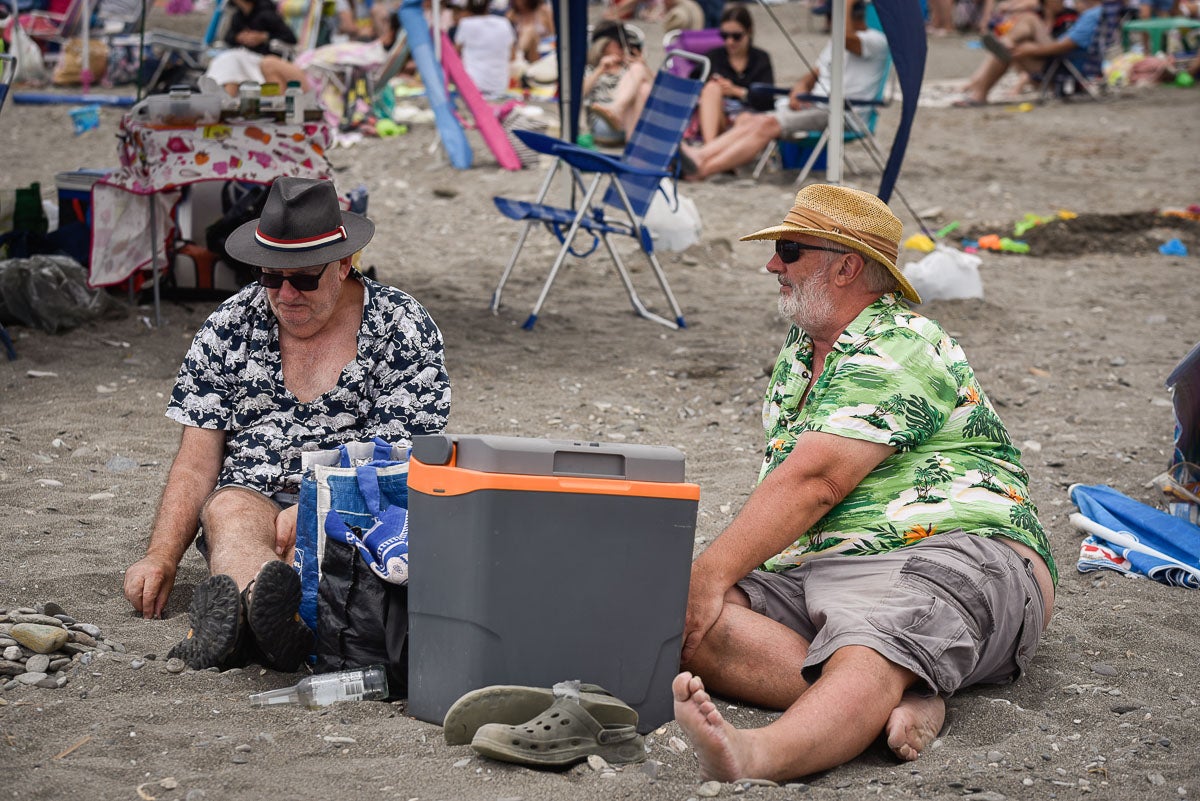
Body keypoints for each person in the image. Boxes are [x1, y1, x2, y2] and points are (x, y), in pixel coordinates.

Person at [671, 183, 1057, 782]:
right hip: (832, 565)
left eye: (790, 250)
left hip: (955, 547)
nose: (772, 264)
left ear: (847, 265)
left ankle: (759, 756)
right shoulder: (805, 351)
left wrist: (710, 572)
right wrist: (700, 587)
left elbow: (816, 482)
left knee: (868, 639)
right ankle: (894, 696)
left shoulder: (900, 341)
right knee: (679, 617)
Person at [122, 177, 451, 673]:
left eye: (304, 278)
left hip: (354, 506)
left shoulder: (401, 325)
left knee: (320, 536)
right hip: (253, 491)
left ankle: (250, 622)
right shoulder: (230, 323)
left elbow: (400, 456)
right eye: (271, 278)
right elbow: (196, 461)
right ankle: (266, 611)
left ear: (344, 265)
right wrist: (160, 556)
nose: (285, 293)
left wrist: (319, 503)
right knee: (231, 512)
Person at [679, 0, 886, 180]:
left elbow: (847, 38)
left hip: (842, 113)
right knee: (751, 120)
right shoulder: (836, 42)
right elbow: (814, 73)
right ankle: (702, 155)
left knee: (767, 123)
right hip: (813, 105)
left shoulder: (876, 41)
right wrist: (800, 87)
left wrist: (846, 4)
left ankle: (703, 169)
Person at [955, 0, 1102, 105]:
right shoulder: (1095, 13)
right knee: (1021, 32)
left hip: (1065, 63)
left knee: (1015, 41)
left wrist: (1031, 50)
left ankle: (979, 93)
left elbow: (1063, 47)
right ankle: (1006, 43)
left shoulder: (1090, 17)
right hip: (1068, 61)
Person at [694, 5, 774, 144]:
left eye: (736, 36)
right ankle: (710, 150)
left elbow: (767, 102)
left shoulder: (760, 59)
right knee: (712, 89)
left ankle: (713, 155)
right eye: (724, 36)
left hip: (747, 120)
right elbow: (690, 85)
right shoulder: (713, 57)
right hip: (716, 119)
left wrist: (738, 91)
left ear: (749, 32)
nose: (729, 41)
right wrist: (712, 87)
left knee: (744, 118)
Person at [204, 0, 310, 97]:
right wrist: (239, 37)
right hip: (244, 58)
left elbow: (290, 38)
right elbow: (229, 37)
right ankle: (225, 101)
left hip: (264, 58)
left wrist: (264, 37)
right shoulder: (238, 16)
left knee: (231, 59)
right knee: (228, 59)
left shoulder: (267, 15)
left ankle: (225, 101)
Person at [583, 22, 651, 146]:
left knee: (644, 87)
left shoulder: (629, 68)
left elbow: (658, 93)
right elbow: (580, 94)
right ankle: (615, 112)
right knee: (638, 72)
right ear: (604, 45)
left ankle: (616, 110)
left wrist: (644, 66)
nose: (624, 47)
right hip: (603, 125)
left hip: (628, 123)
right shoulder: (591, 69)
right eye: (619, 43)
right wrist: (600, 70)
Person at [453, 0, 517, 100]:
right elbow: (513, 57)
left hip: (472, 87)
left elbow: (454, 56)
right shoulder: (504, 23)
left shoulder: (465, 24)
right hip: (500, 87)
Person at [507, 0, 555, 64]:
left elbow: (554, 35)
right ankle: (519, 56)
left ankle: (519, 56)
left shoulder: (544, 11)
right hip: (523, 53)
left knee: (530, 31)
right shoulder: (511, 15)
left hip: (543, 52)